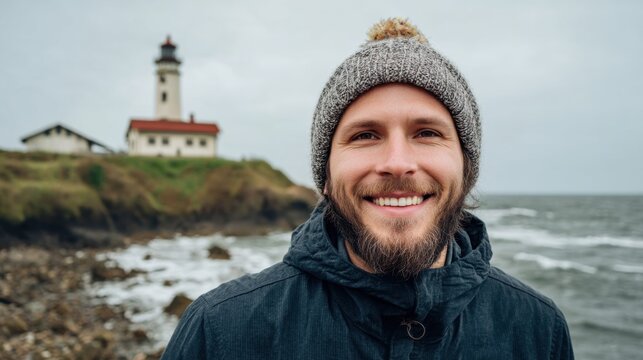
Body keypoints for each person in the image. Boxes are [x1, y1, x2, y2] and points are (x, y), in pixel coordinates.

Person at [161, 18, 574, 359]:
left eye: (427, 132)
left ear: (467, 168)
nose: (397, 162)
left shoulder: (539, 331)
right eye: (364, 136)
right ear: (324, 176)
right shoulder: (218, 332)